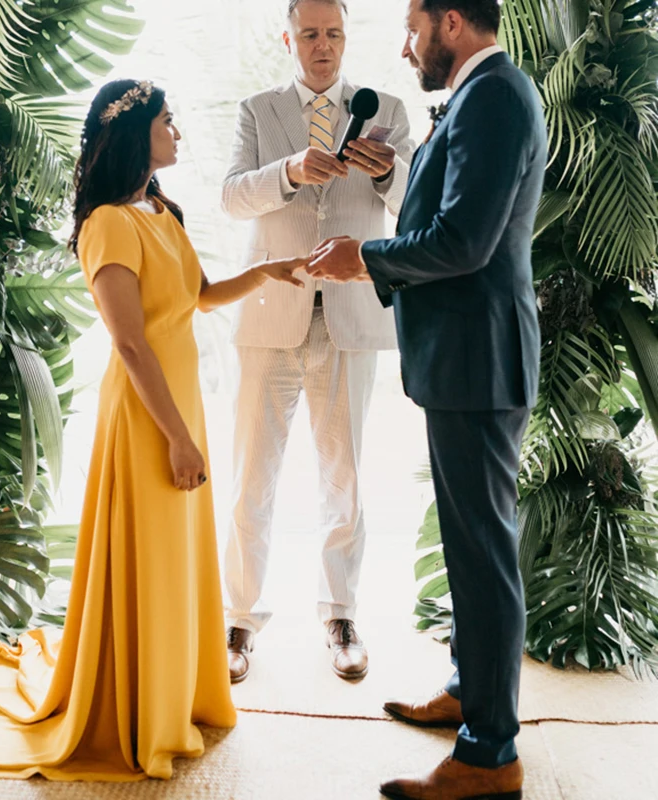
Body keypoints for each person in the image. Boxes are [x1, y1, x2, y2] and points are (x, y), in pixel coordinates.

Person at [0, 79, 306, 782]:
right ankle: (136, 711)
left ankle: (174, 693)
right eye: (167, 121)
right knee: (148, 551)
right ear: (134, 133)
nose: (178, 131)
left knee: (176, 556)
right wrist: (177, 437)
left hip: (178, 404)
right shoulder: (110, 224)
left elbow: (201, 297)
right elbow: (129, 344)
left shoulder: (158, 209)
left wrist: (269, 271)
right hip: (150, 415)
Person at [306, 0, 547, 795]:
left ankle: (490, 756)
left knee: (482, 554)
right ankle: (471, 696)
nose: (405, 47)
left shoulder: (497, 97)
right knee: (471, 547)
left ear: (450, 21)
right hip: (466, 360)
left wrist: (363, 259)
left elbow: (463, 241)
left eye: (412, 28)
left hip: (479, 363)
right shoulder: (484, 95)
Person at [221, 0, 415, 684]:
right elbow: (231, 197)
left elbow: (417, 206)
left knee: (347, 477)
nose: (323, 45)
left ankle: (341, 616)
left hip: (351, 315)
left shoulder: (387, 105)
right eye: (310, 34)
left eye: (333, 33)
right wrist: (289, 173)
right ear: (289, 38)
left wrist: (389, 171)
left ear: (345, 37)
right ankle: (238, 622)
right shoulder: (257, 109)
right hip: (270, 314)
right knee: (252, 476)